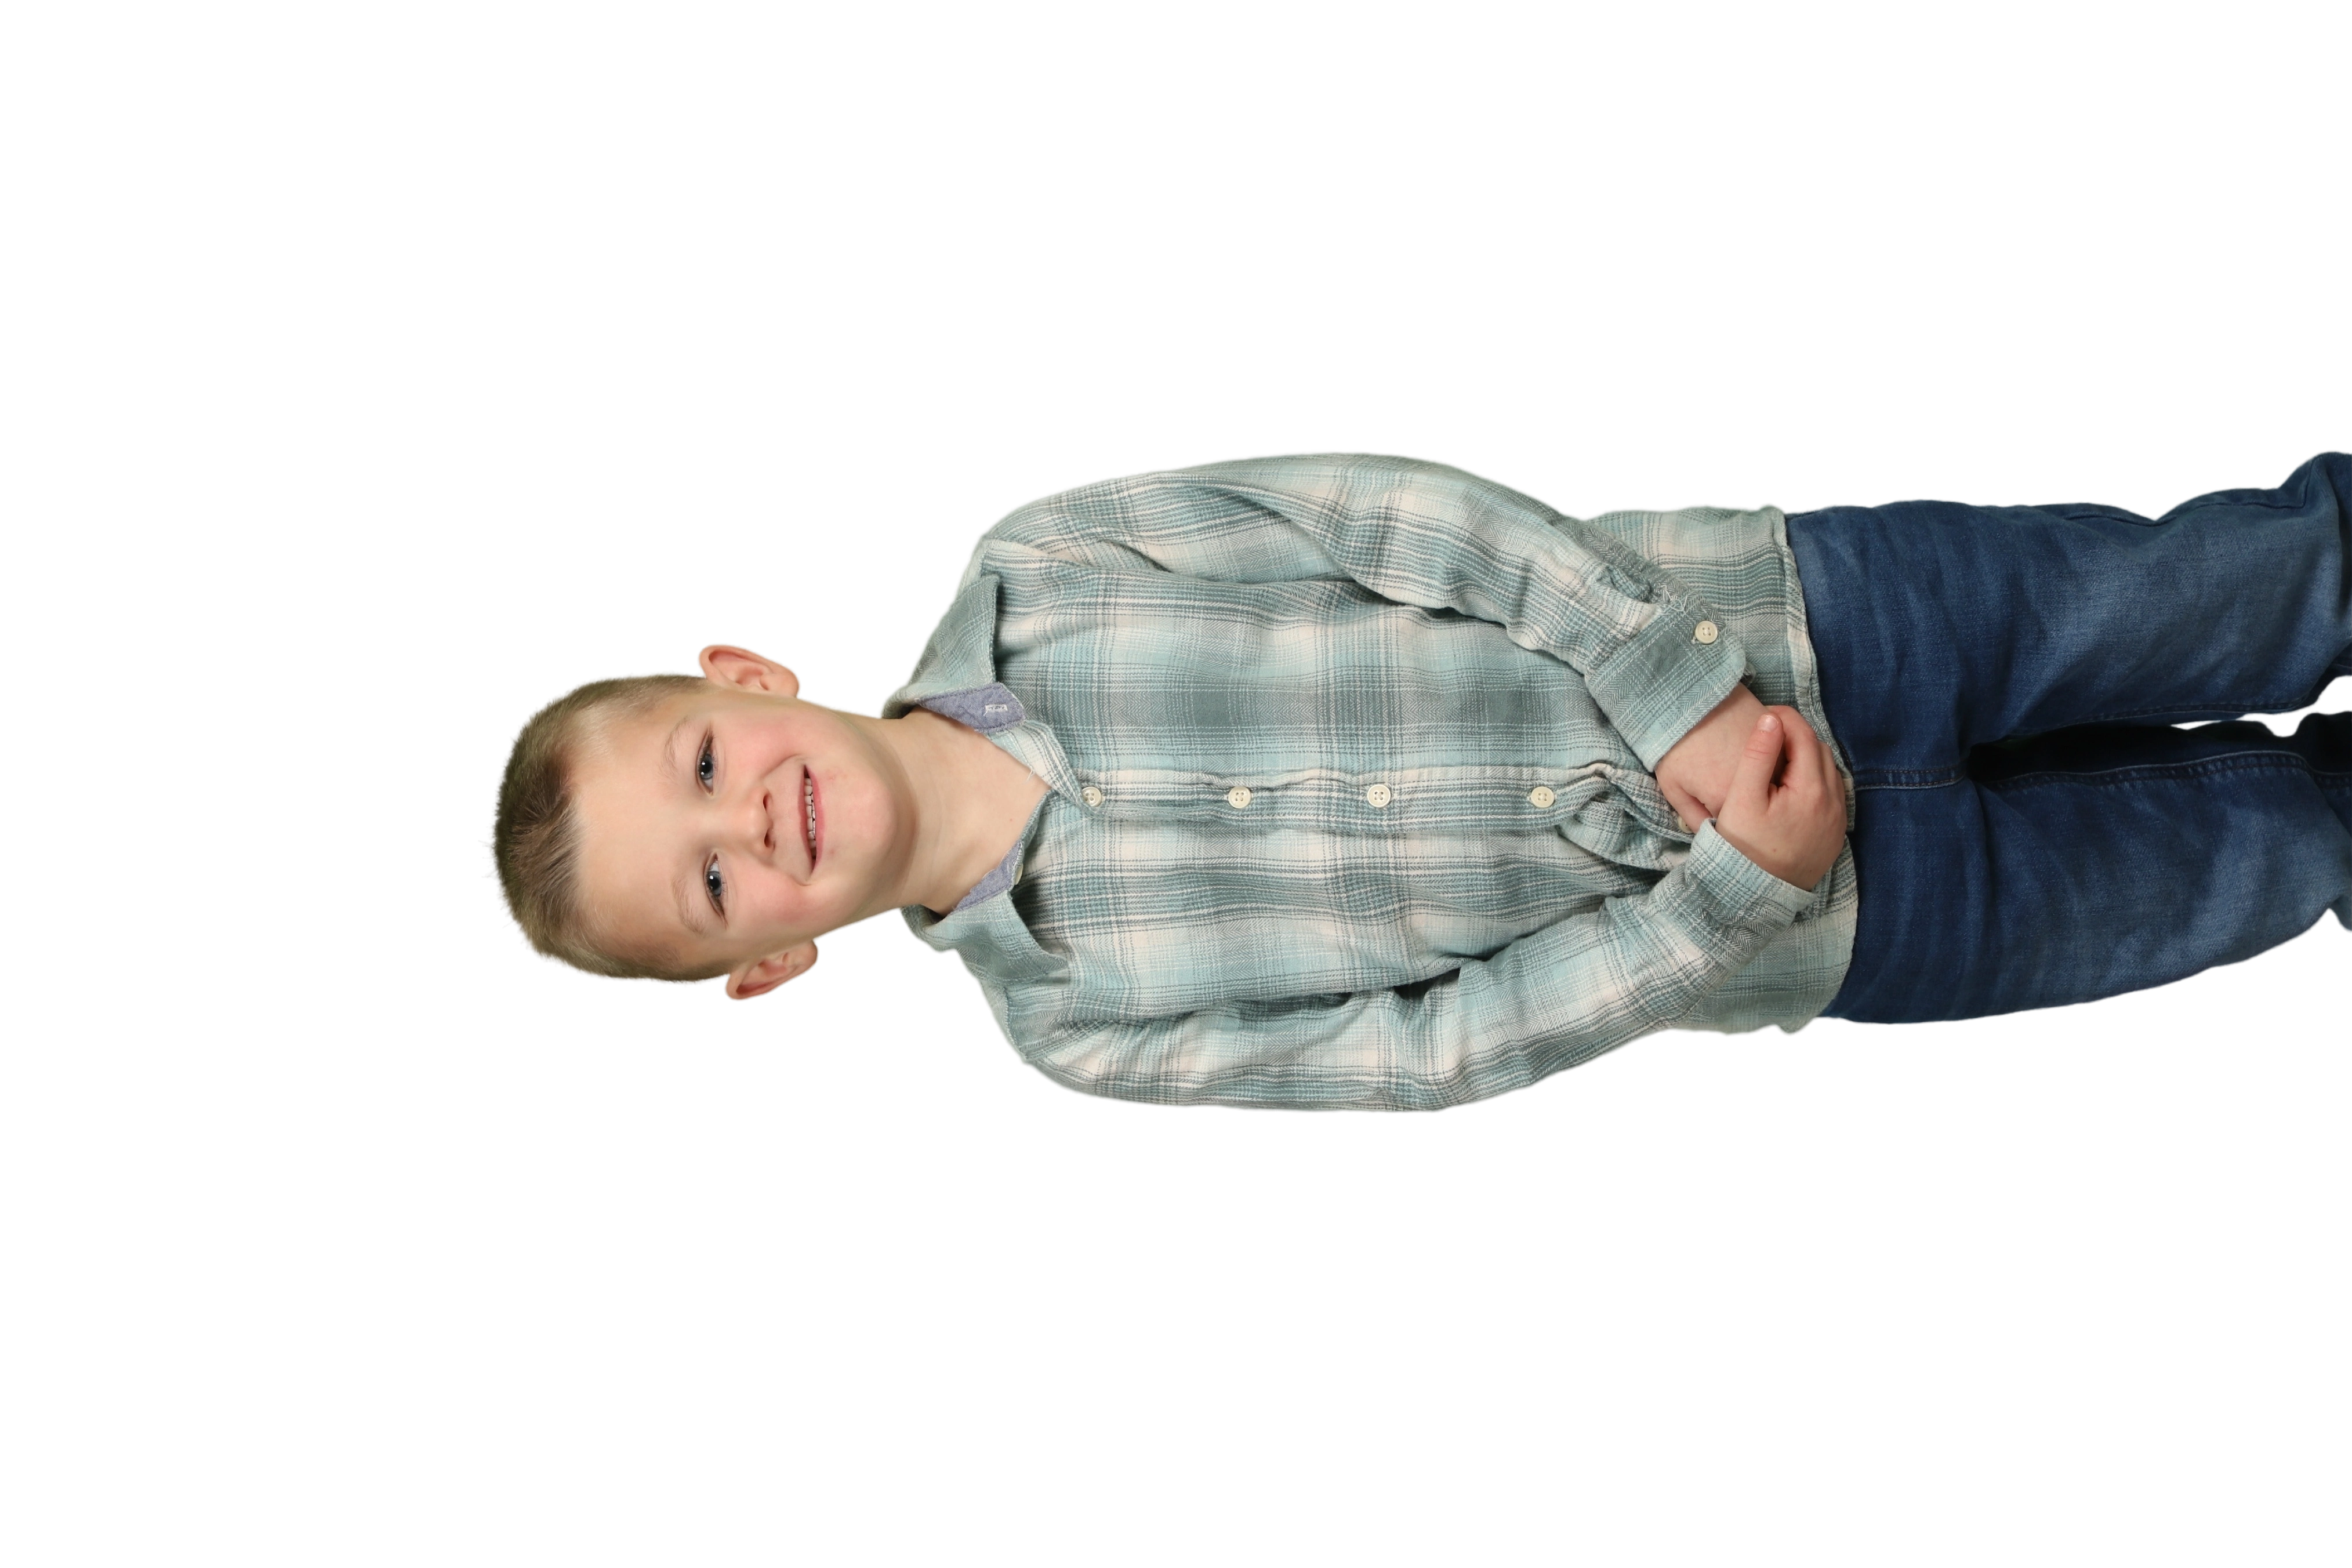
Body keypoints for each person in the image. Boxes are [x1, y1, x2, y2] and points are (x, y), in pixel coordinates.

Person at [478, 447, 2352, 1115]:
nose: (749, 817)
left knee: (2239, 592)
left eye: (703, 764)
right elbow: (1427, 1052)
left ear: (746, 677)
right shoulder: (1083, 1032)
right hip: (1851, 925)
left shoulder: (1047, 564)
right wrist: (1732, 900)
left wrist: (1679, 703)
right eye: (712, 879)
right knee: (2258, 858)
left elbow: (1401, 521)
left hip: (1819, 624)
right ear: (769, 964)